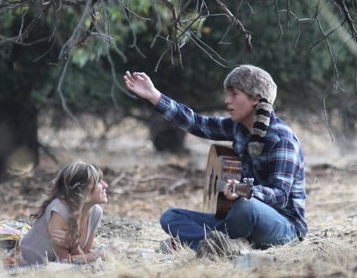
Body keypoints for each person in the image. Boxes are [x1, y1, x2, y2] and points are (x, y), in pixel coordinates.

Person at [123, 65, 307, 257]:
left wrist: (243, 190)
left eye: (234, 94)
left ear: (255, 99)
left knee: (245, 207)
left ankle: (199, 243)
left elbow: (280, 195)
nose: (227, 101)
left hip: (284, 228)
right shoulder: (238, 127)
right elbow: (196, 123)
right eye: (227, 94)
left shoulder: (281, 139)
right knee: (171, 216)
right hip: (238, 220)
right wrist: (154, 95)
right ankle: (219, 245)